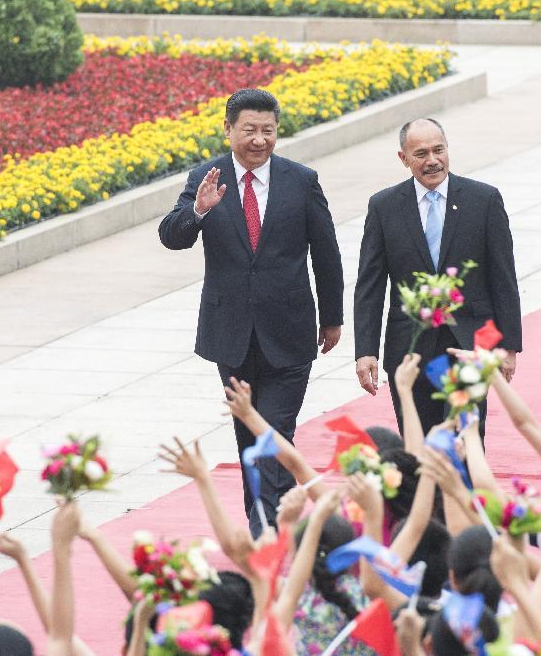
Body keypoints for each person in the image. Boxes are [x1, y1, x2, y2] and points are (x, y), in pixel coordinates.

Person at [158, 88, 344, 535]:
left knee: (275, 429)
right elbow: (171, 235)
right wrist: (199, 211)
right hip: (232, 334)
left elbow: (326, 251)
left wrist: (333, 316)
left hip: (291, 329)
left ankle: (270, 526)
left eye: (268, 131)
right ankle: (263, 520)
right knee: (248, 435)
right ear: (228, 130)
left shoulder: (301, 180)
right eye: (250, 130)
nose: (259, 140)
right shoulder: (206, 177)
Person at [354, 118, 522, 438]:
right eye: (421, 154)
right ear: (403, 158)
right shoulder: (384, 207)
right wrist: (366, 351)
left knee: (464, 436)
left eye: (438, 150)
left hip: (471, 344)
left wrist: (509, 346)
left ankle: (464, 489)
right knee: (419, 442)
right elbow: (369, 286)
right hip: (410, 346)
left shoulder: (483, 200)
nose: (432, 161)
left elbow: (504, 277)